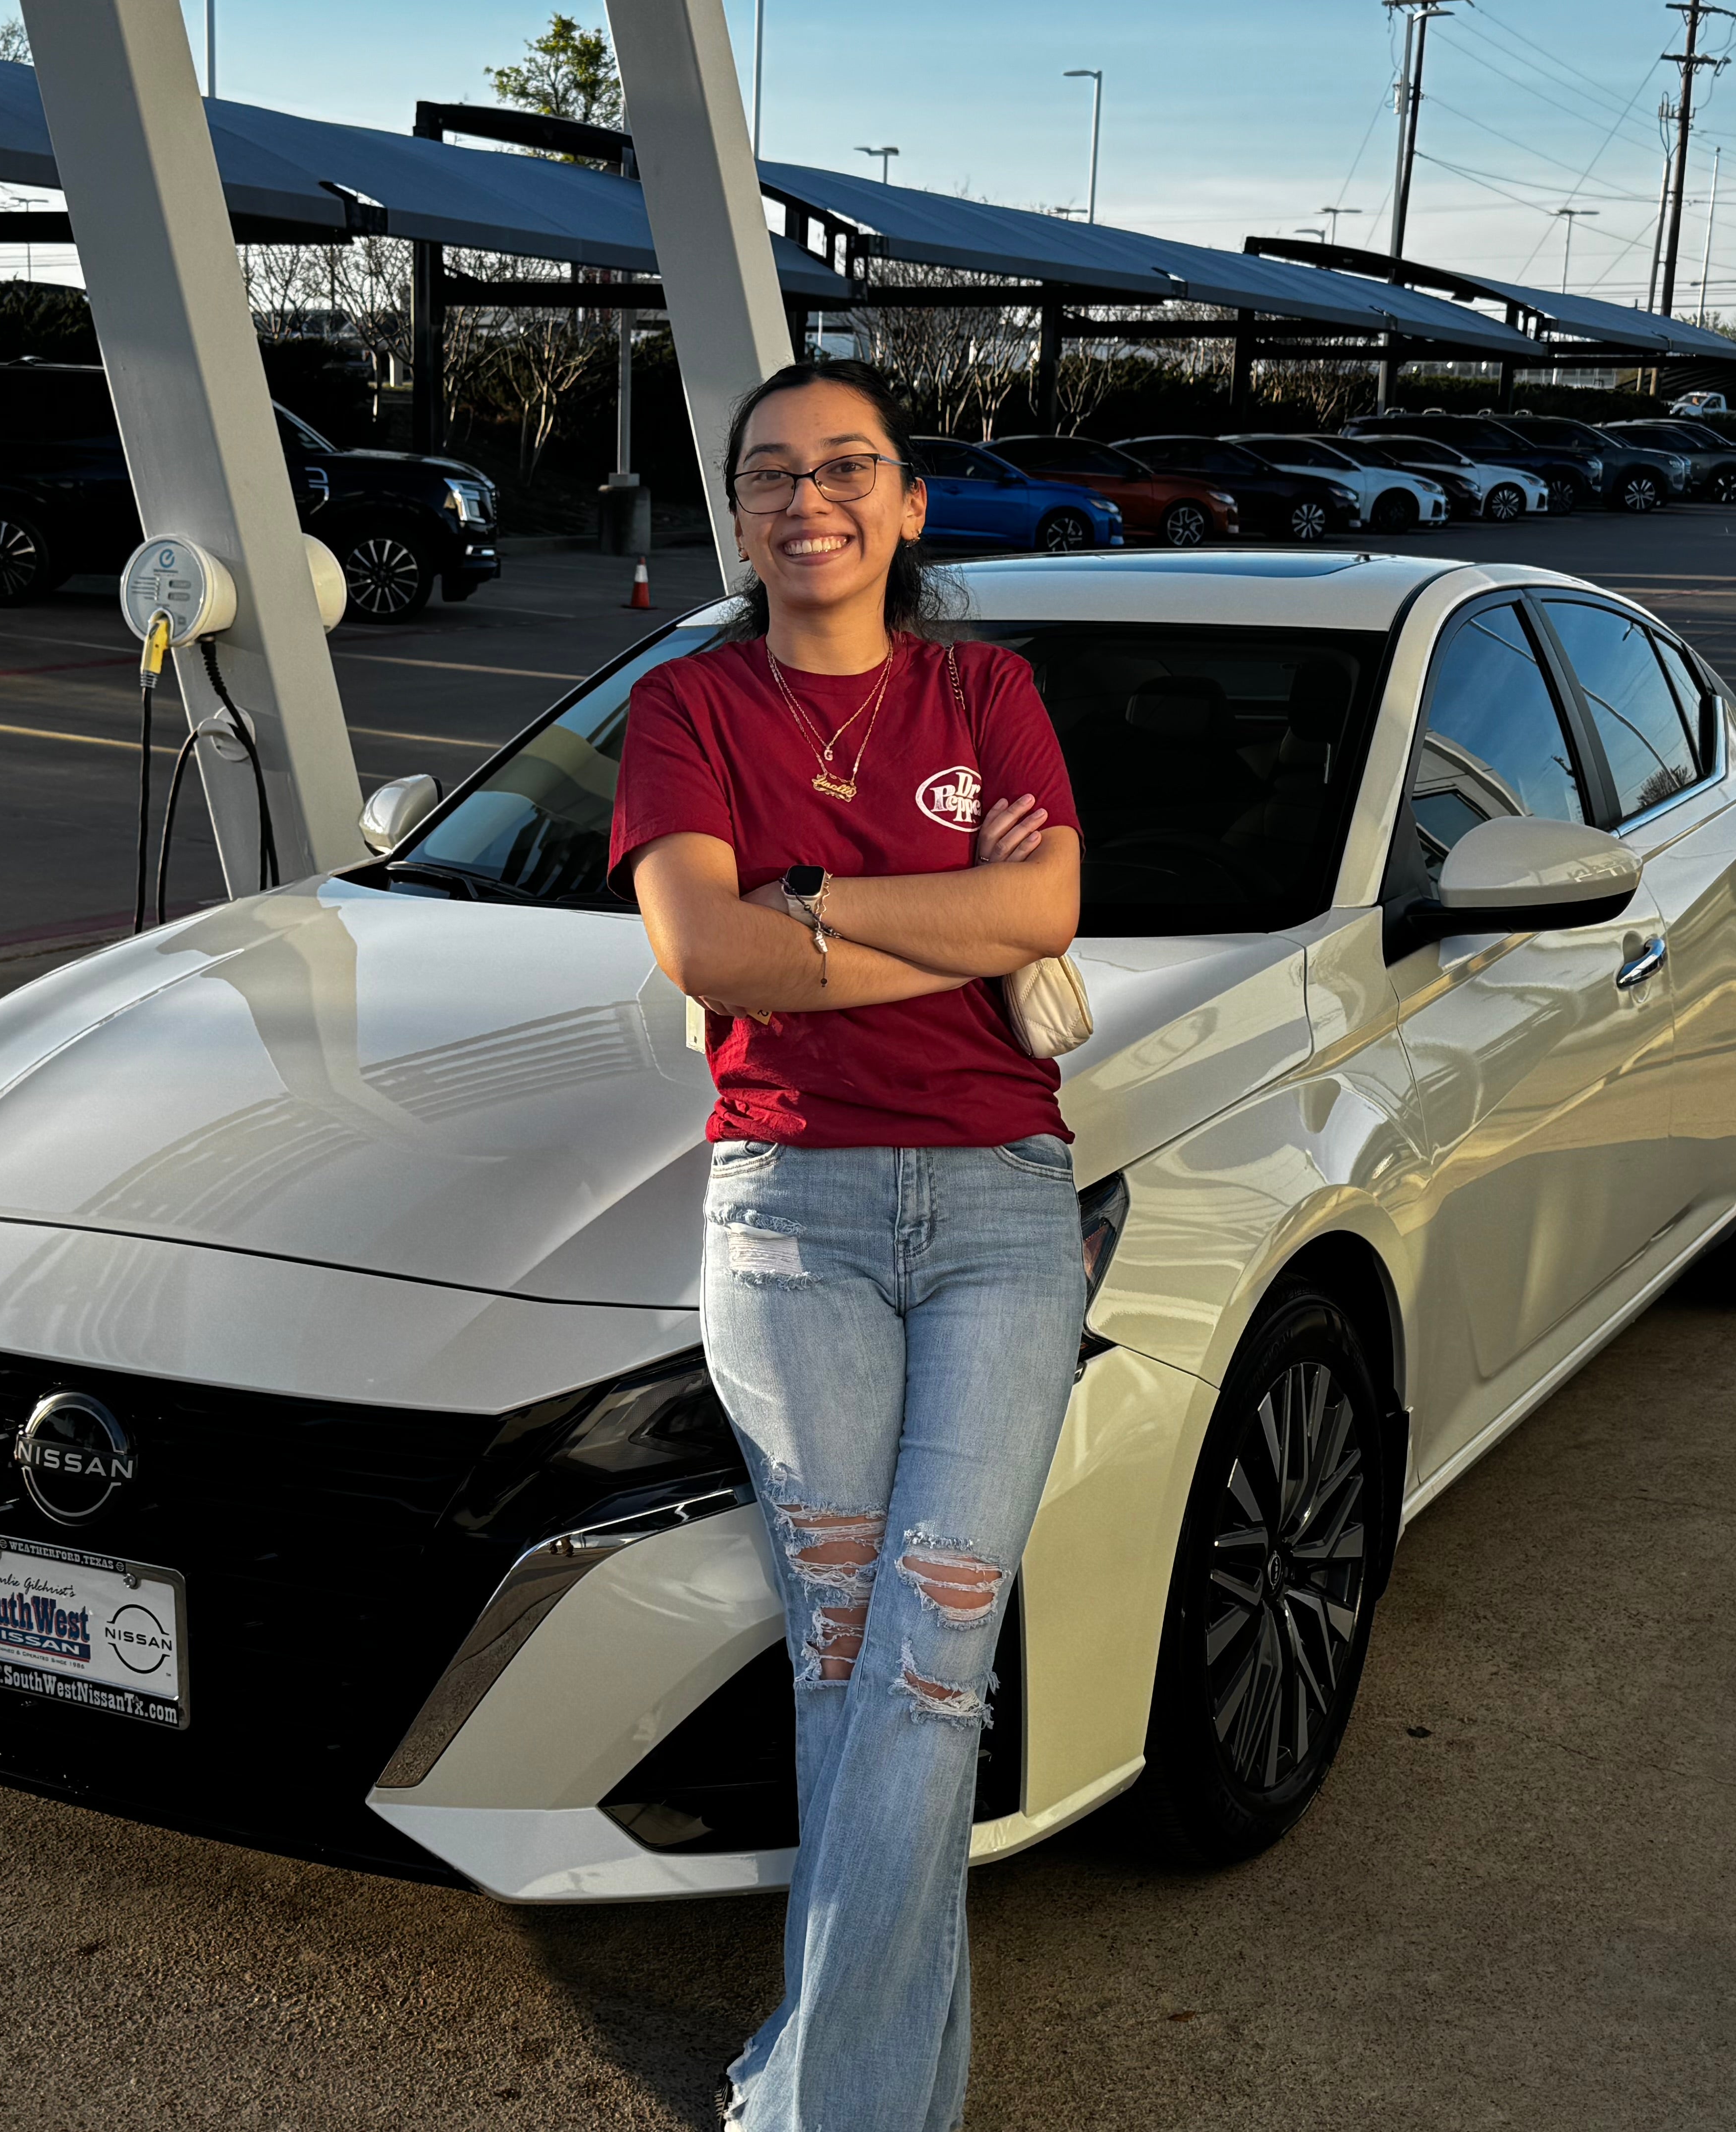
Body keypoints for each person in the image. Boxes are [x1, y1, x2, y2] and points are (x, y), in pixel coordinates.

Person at [608, 358, 1087, 2132]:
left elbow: (1045, 907)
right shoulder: (688, 708)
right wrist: (933, 932)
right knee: (860, 1662)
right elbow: (702, 958)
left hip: (1000, 1211)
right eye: (770, 474)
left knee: (927, 1649)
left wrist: (804, 903)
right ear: (737, 514)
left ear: (906, 506)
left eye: (848, 467)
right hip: (788, 1212)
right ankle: (859, 2098)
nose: (808, 498)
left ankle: (814, 2092)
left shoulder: (989, 688)